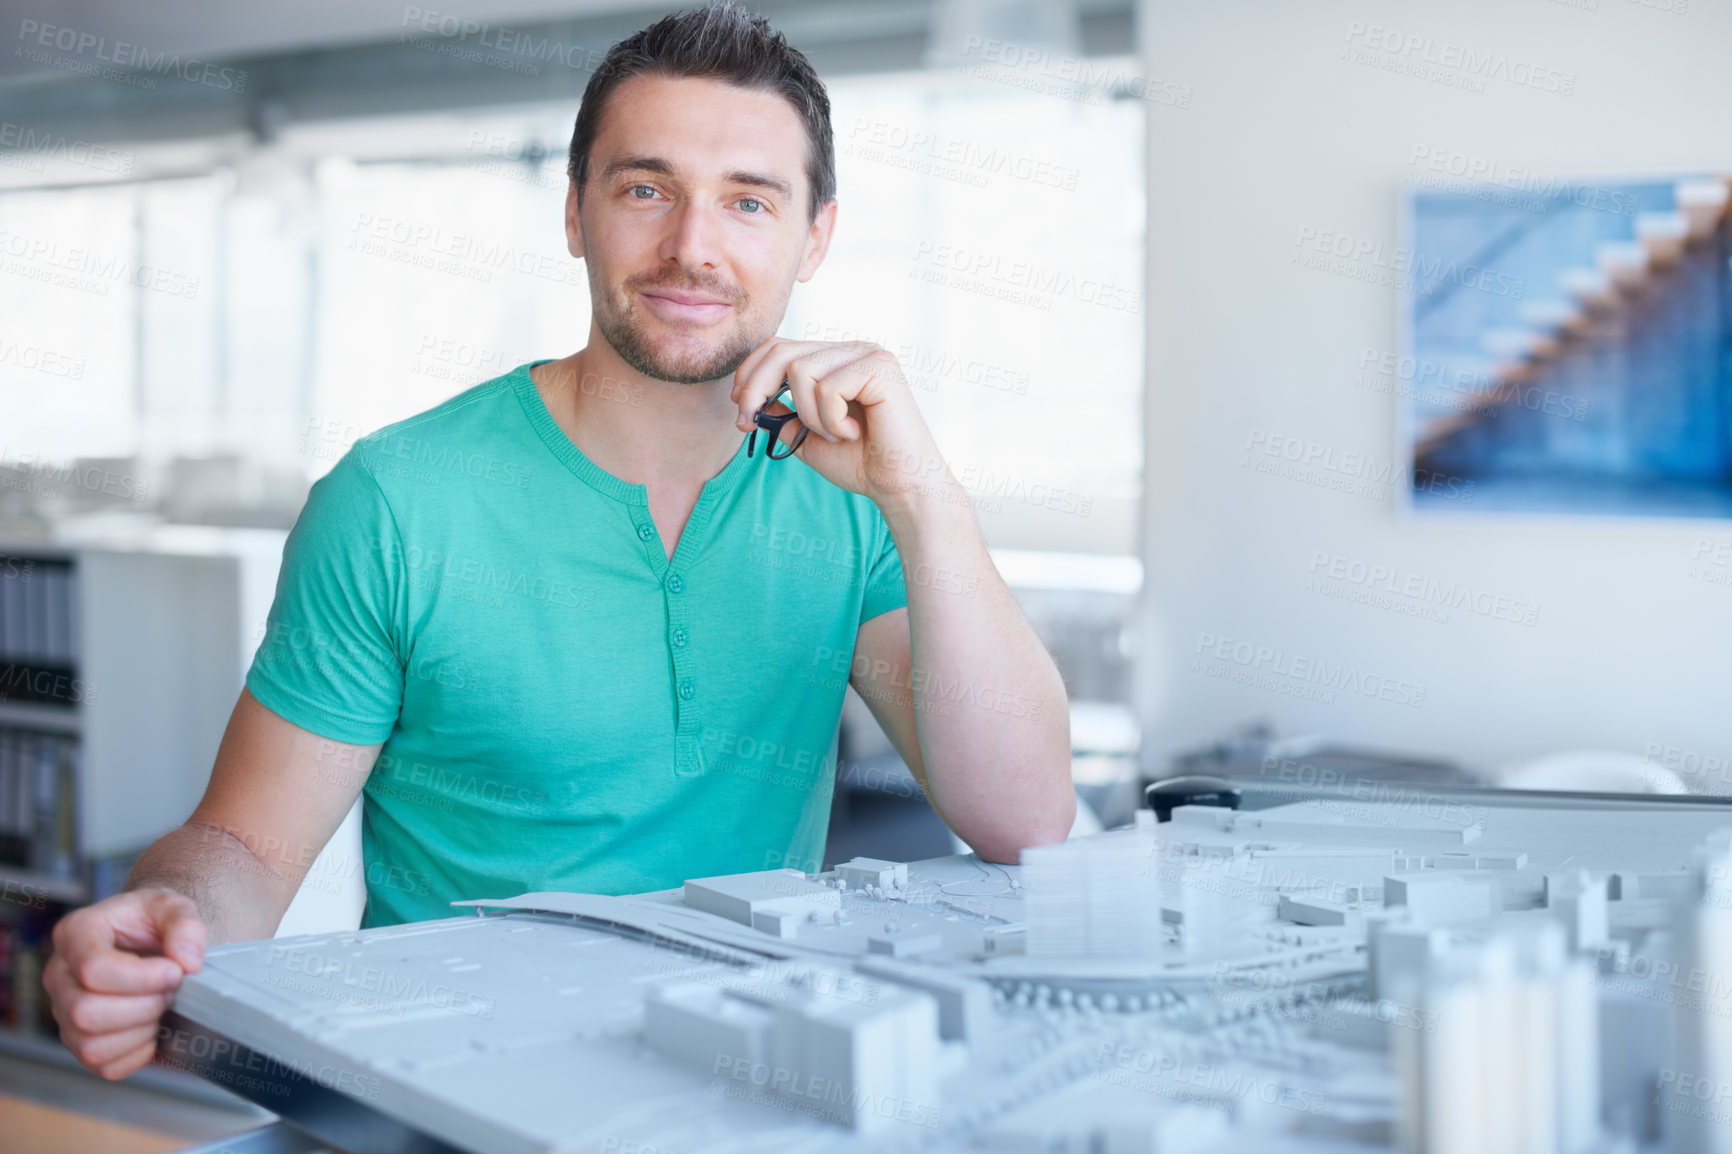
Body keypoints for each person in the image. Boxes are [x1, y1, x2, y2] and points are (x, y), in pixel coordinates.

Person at [44, 0, 1073, 1081]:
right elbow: (245, 847)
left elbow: (1029, 822)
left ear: (814, 234)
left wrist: (924, 494)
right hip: (444, 1097)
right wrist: (170, 913)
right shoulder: (396, 498)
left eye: (748, 201)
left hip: (747, 1086)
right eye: (645, 188)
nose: (691, 246)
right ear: (576, 211)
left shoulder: (853, 496)